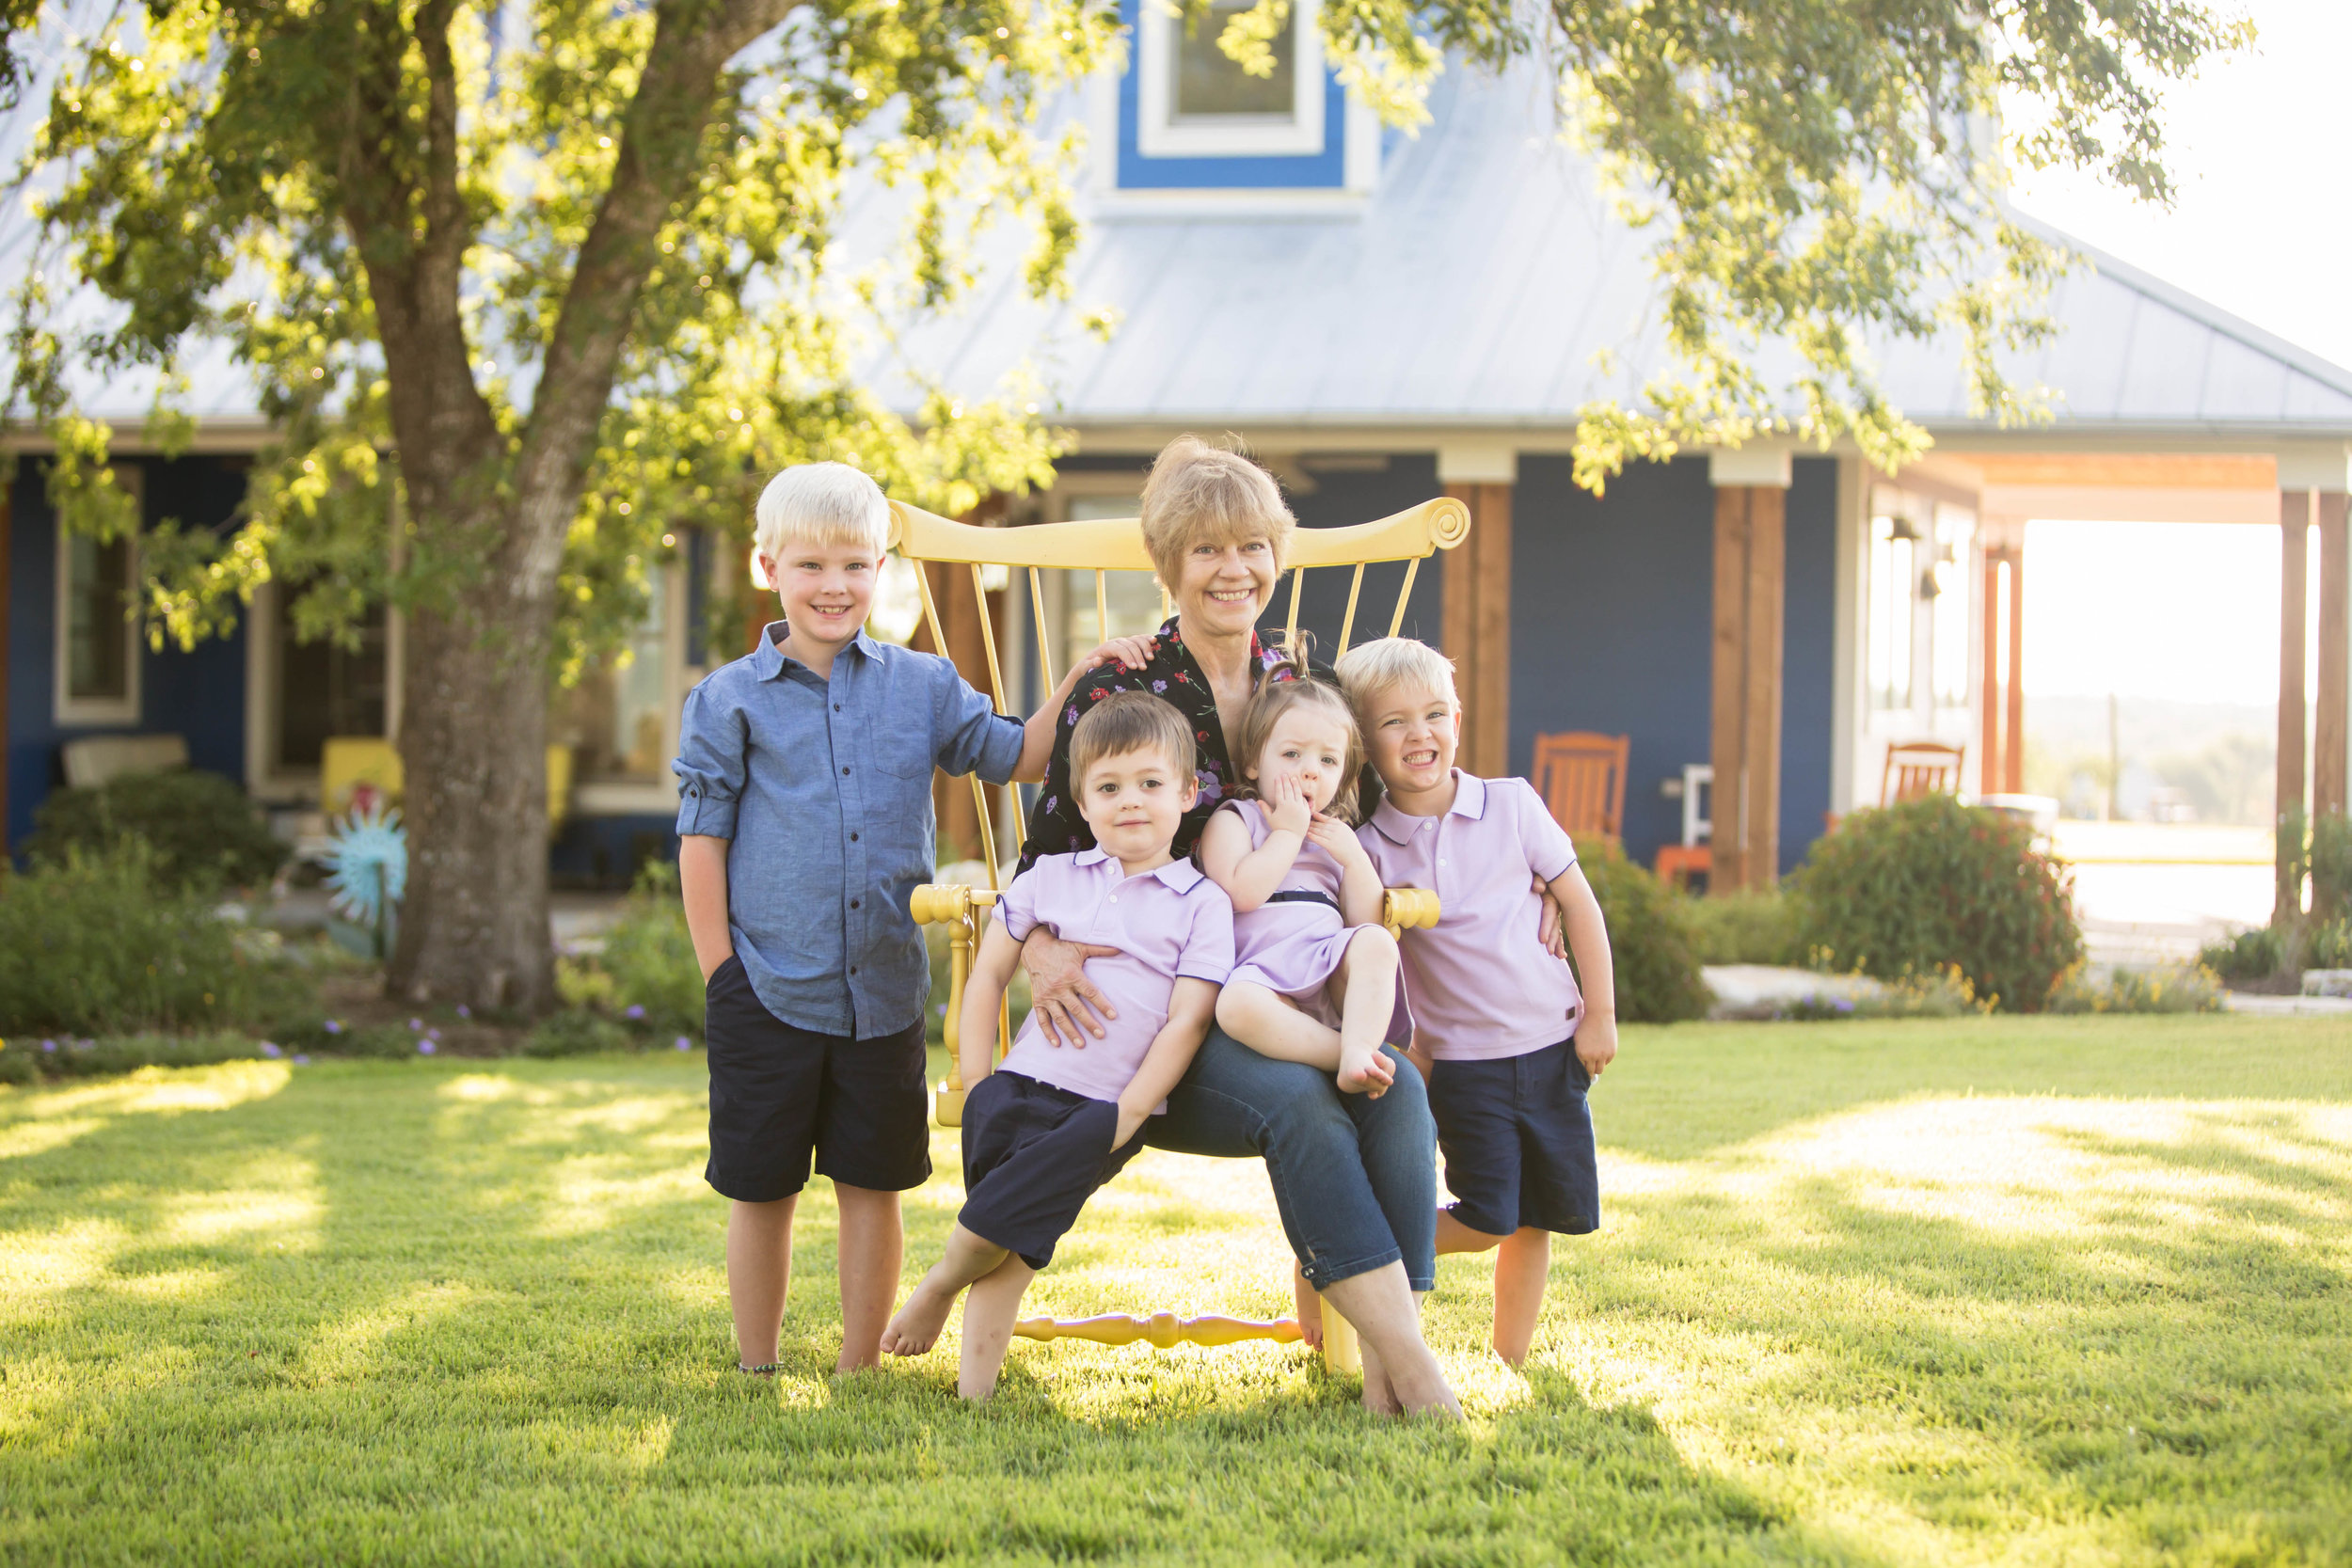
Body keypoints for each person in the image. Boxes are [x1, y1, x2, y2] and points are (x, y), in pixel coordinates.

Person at [1013, 435, 1459, 1417]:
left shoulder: (1304, 687)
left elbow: (1375, 811)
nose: (1235, 568)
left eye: (1253, 544)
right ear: (1170, 561)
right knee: (1301, 1105)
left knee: (1394, 1091)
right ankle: (1413, 1368)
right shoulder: (1120, 687)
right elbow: (1037, 864)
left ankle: (1393, 1345)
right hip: (1161, 1004)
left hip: (1291, 974)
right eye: (1208, 548)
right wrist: (1042, 957)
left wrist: (1531, 885)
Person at [673, 461, 1125, 1379]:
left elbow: (1016, 753)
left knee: (871, 1182)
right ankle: (757, 1361)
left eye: (854, 564)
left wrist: (1080, 679)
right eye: (809, 566)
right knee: (761, 1186)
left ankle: (856, 1364)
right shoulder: (729, 697)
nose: (833, 585)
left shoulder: (922, 685)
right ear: (769, 568)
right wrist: (721, 969)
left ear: (883, 569)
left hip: (880, 989)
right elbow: (701, 838)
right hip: (765, 980)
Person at [881, 694, 1233, 1399]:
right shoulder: (1051, 878)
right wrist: (976, 1077)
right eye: (1108, 787)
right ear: (1082, 798)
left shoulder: (1201, 902)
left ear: (1188, 793)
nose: (1129, 801)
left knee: (997, 1224)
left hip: (1102, 1106)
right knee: (1013, 1244)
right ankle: (973, 1392)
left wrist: (1131, 1111)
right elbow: (988, 974)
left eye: (1150, 783)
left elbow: (1188, 1020)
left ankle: (939, 1282)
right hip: (1014, 1085)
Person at [1335, 636, 1619, 1366]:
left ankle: (1512, 1357)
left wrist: (1600, 1011)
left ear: (1458, 716)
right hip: (1469, 1064)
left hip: (1555, 1050)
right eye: (1394, 723)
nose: (1420, 733)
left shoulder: (1513, 804)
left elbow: (1579, 904)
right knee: (1490, 1216)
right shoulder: (1370, 848)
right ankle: (1345, 1244)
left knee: (1538, 1220)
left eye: (1434, 713)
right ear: (1364, 744)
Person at [1197, 660, 1409, 1099]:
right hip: (1263, 977)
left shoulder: (1336, 837)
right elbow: (1242, 892)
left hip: (1328, 966)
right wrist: (1287, 833)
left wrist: (1355, 861)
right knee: (1235, 1007)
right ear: (1254, 762)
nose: (1310, 770)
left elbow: (1363, 922)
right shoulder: (1237, 820)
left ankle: (1359, 1045)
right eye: (1292, 754)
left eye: (1327, 760)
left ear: (1343, 778)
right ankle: (1347, 1054)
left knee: (1377, 942)